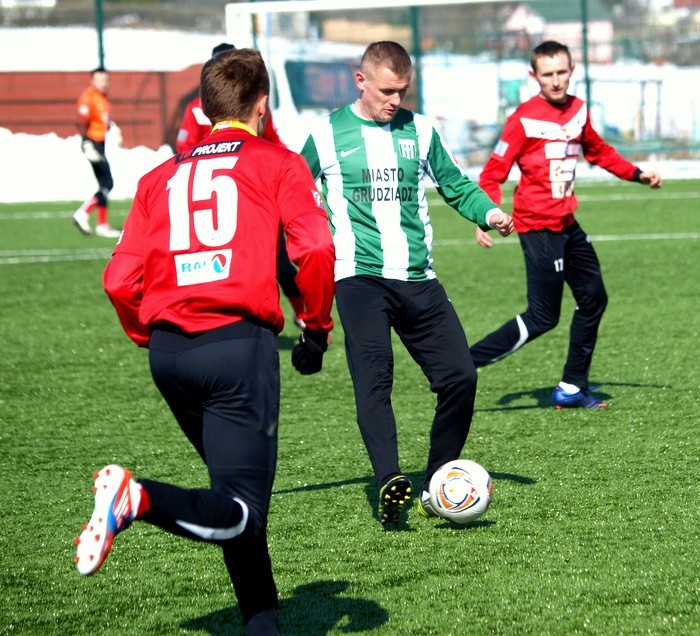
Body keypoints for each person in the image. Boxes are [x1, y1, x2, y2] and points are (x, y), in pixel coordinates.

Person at [74, 48, 335, 635]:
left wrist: (150, 335)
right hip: (236, 350)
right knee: (242, 512)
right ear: (262, 106)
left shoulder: (158, 176)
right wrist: (315, 326)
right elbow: (315, 249)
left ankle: (261, 625)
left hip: (170, 354)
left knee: (232, 503)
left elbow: (118, 280)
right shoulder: (278, 162)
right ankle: (136, 498)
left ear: (204, 107)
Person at [299, 41, 513, 525]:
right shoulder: (326, 135)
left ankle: (438, 479)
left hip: (419, 278)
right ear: (361, 81)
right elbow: (292, 193)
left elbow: (455, 185)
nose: (394, 100)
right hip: (358, 279)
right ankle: (389, 480)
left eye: (402, 91)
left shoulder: (421, 131)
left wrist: (490, 212)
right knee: (375, 380)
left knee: (460, 375)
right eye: (386, 90)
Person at [471, 40, 662, 409]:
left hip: (567, 225)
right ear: (534, 76)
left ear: (571, 71)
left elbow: (598, 150)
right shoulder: (522, 119)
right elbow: (492, 174)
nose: (556, 81)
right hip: (537, 228)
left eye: (562, 72)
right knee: (543, 317)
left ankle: (572, 387)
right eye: (547, 74)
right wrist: (486, 215)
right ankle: (464, 363)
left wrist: (636, 174)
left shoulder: (578, 109)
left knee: (594, 298)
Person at [177, 42, 307, 329]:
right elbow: (183, 149)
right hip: (209, 195)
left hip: (249, 189)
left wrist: (292, 166)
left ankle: (302, 314)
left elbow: (272, 140)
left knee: (278, 261)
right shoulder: (197, 109)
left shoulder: (256, 107)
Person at [72, 66, 122, 238]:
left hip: (100, 143)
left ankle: (102, 224)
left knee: (103, 184)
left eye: (106, 80)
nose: (103, 83)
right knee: (108, 183)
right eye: (99, 80)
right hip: (92, 143)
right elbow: (81, 122)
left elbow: (102, 119)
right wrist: (86, 143)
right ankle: (83, 212)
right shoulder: (88, 98)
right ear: (92, 80)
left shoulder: (102, 97)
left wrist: (113, 127)